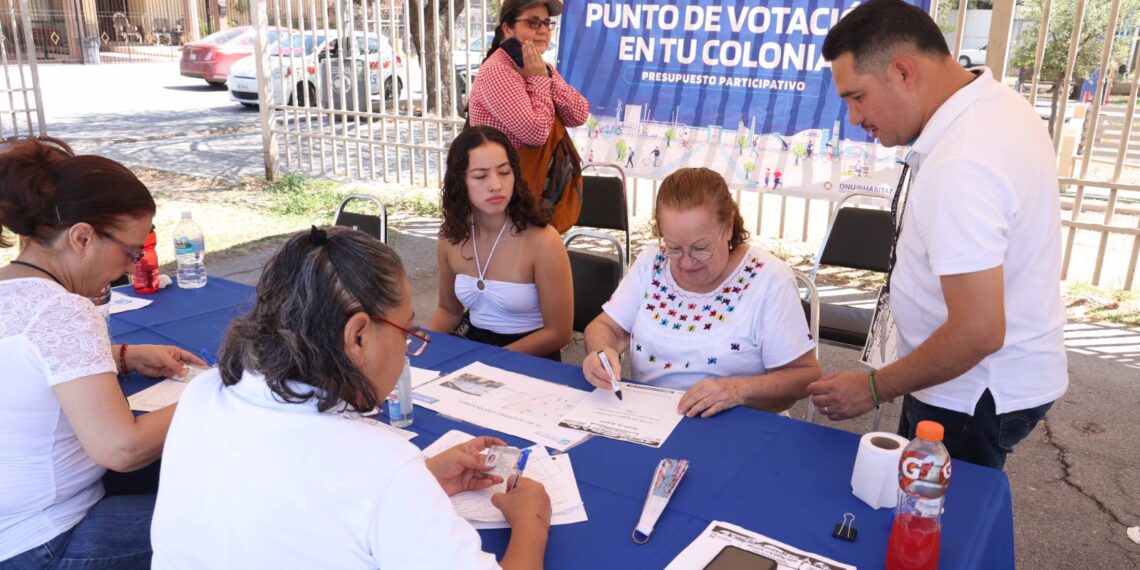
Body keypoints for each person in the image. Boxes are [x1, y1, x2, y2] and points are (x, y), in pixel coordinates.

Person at [151, 226, 552, 569]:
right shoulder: (383, 463)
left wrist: (421, 481)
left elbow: (299, 502)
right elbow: (348, 478)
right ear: (358, 336)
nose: (404, 350)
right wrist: (530, 519)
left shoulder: (206, 392)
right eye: (405, 332)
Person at [807, 0, 1068, 469]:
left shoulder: (962, 163)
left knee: (930, 518)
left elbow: (976, 332)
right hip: (970, 378)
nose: (853, 118)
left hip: (970, 390)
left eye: (857, 96)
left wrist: (871, 387)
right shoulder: (993, 103)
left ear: (904, 72)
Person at [0, 140, 204, 568]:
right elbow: (122, 449)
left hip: (15, 523)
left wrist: (120, 355)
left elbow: (25, 361)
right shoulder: (62, 309)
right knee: (229, 509)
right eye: (131, 252)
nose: (132, 268)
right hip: (46, 538)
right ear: (82, 237)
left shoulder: (12, 290)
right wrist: (209, 391)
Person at [582, 167, 820, 418]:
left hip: (738, 426)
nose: (686, 262)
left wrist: (736, 390)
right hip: (650, 420)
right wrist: (601, 353)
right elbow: (605, 327)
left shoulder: (769, 278)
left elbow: (804, 375)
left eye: (700, 248)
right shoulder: (653, 262)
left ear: (728, 227)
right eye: (674, 248)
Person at [427, 126, 572, 361]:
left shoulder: (543, 240)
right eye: (480, 176)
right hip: (472, 348)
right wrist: (422, 345)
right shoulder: (450, 236)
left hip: (532, 358)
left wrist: (489, 361)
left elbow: (558, 333)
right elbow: (448, 311)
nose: (495, 185)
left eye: (504, 172)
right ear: (460, 181)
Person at [467, 0, 589, 232]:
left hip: (531, 200)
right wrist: (539, 80)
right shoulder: (498, 71)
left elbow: (579, 113)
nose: (542, 30)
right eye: (532, 22)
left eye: (546, 23)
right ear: (508, 29)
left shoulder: (537, 66)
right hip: (501, 204)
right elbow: (536, 133)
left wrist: (543, 75)